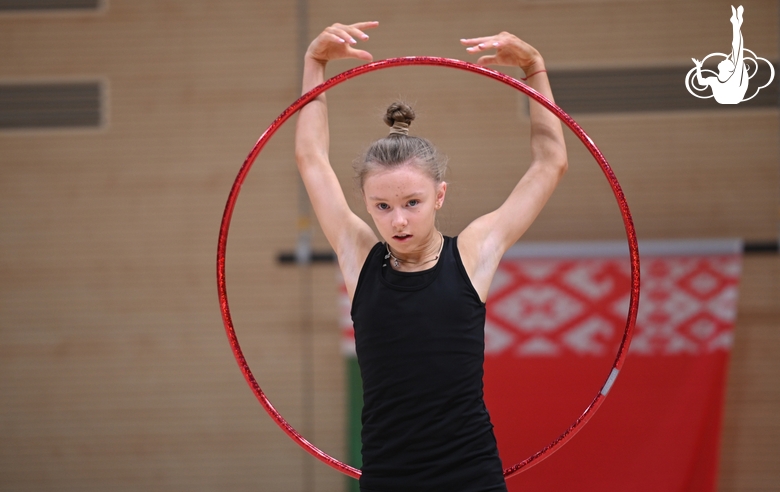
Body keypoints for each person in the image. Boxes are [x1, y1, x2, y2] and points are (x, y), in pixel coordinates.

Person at [295, 21, 567, 492]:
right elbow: (311, 159)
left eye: (412, 203)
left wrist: (534, 68)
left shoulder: (473, 252)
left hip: (471, 477)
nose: (398, 221)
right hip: (389, 480)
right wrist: (313, 64)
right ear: (366, 204)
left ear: (439, 196)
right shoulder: (359, 257)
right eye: (383, 206)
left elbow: (550, 163)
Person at [692, 5, 748, 104]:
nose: (724, 59)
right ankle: (736, 24)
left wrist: (698, 67)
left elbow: (701, 82)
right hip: (731, 96)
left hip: (732, 95)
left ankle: (736, 24)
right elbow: (701, 82)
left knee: (737, 51)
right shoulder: (720, 79)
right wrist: (698, 67)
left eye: (726, 61)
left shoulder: (720, 79)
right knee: (737, 52)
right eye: (727, 61)